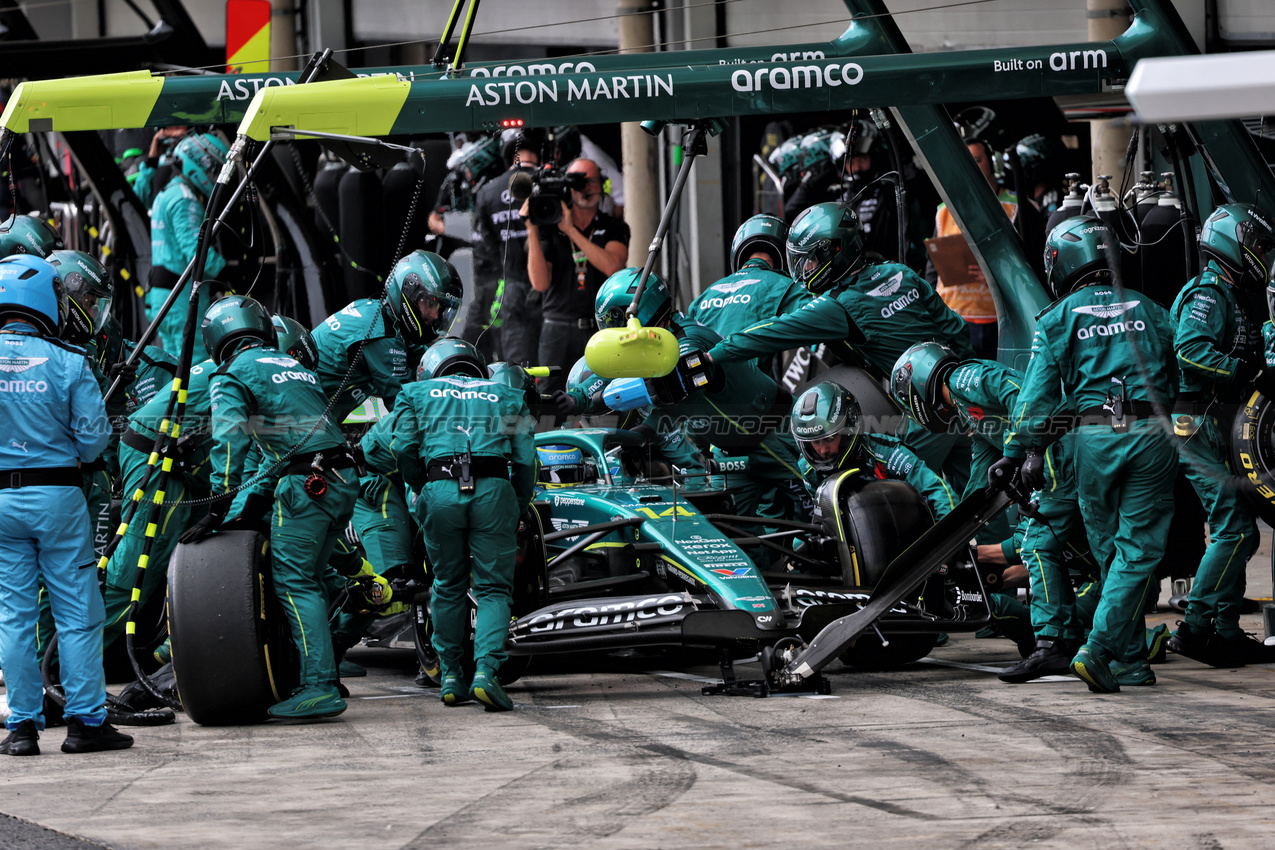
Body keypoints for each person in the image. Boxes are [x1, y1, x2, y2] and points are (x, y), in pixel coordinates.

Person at [997, 216, 1177, 693]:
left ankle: (1127, 659)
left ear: (1060, 263)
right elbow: (1181, 375)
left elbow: (1034, 402)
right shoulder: (1152, 308)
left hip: (1094, 442)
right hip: (1149, 434)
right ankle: (1108, 653)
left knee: (1111, 555)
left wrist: (1017, 452)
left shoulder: (1055, 319)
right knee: (1135, 554)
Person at [704, 202, 975, 492]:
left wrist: (711, 354)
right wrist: (965, 389)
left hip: (926, 412)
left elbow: (771, 333)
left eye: (809, 260)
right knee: (976, 509)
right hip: (960, 394)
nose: (805, 270)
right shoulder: (900, 272)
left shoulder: (839, 306)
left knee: (894, 502)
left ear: (834, 251)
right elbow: (956, 329)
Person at [184, 295, 358, 720]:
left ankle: (318, 687)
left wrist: (217, 507)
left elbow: (229, 442)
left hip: (308, 484)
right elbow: (294, 435)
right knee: (311, 582)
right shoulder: (293, 366)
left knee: (294, 583)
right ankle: (321, 676)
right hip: (342, 478)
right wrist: (254, 503)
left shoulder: (230, 374)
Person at [890, 341, 1087, 680]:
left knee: (1038, 548)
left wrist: (1020, 450)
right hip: (1055, 470)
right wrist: (955, 539)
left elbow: (1024, 397)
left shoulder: (966, 378)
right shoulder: (967, 413)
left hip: (1064, 461)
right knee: (1062, 552)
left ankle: (1052, 644)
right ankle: (1086, 641)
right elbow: (980, 486)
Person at [0, 254, 133, 756]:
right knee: (78, 614)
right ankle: (84, 723)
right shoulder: (69, 361)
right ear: (40, 300)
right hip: (58, 498)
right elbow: (95, 443)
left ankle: (22, 730)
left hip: (0, 502)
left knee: (13, 616)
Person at [362, 337, 536, 711]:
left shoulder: (414, 392)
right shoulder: (505, 393)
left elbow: (401, 448)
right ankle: (487, 673)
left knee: (447, 585)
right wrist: (517, 506)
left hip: (439, 489)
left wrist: (421, 485)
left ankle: (451, 675)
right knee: (493, 590)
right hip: (494, 490)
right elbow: (526, 461)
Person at [596, 268, 803, 521]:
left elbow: (676, 387)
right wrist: (581, 403)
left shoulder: (687, 340)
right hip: (731, 450)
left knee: (817, 520)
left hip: (776, 434)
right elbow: (666, 411)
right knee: (724, 526)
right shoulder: (662, 344)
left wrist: (605, 405)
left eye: (612, 322)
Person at [1167, 203, 1275, 667]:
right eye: (1256, 242)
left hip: (1217, 423)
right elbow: (1189, 349)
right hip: (1194, 423)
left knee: (1242, 532)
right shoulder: (1208, 293)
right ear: (1234, 239)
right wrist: (1248, 371)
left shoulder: (1232, 294)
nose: (1261, 253)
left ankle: (1226, 631)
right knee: (1234, 528)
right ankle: (1193, 629)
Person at [525, 157, 630, 396]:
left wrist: (571, 231)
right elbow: (539, 283)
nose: (586, 188)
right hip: (557, 327)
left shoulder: (614, 226)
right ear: (567, 188)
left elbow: (613, 266)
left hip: (601, 327)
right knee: (550, 396)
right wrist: (532, 229)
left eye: (592, 181)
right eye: (578, 182)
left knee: (604, 395)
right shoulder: (549, 226)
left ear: (602, 185)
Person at [791, 381, 956, 522]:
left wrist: (951, 541)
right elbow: (809, 525)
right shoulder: (806, 471)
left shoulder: (886, 453)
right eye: (815, 442)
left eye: (830, 438)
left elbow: (936, 490)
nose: (823, 450)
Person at [924, 138, 1018, 360]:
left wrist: (997, 278)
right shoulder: (943, 210)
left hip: (1001, 321)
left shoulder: (1016, 208)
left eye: (978, 160)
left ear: (993, 164)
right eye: (967, 162)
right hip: (954, 321)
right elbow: (932, 268)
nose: (972, 167)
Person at [686, 215, 810, 375]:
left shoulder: (704, 295)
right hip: (748, 391)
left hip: (704, 388)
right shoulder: (784, 285)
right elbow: (821, 316)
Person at [148, 132, 229, 360]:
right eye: (215, 170)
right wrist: (226, 272)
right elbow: (196, 251)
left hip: (164, 299)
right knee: (193, 371)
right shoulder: (185, 200)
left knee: (172, 369)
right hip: (182, 303)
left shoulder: (166, 193)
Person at [466, 129, 544, 366]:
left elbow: (485, 249)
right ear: (537, 154)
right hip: (553, 291)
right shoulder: (550, 183)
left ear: (510, 156)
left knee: (517, 369)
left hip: (511, 290)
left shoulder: (488, 192)